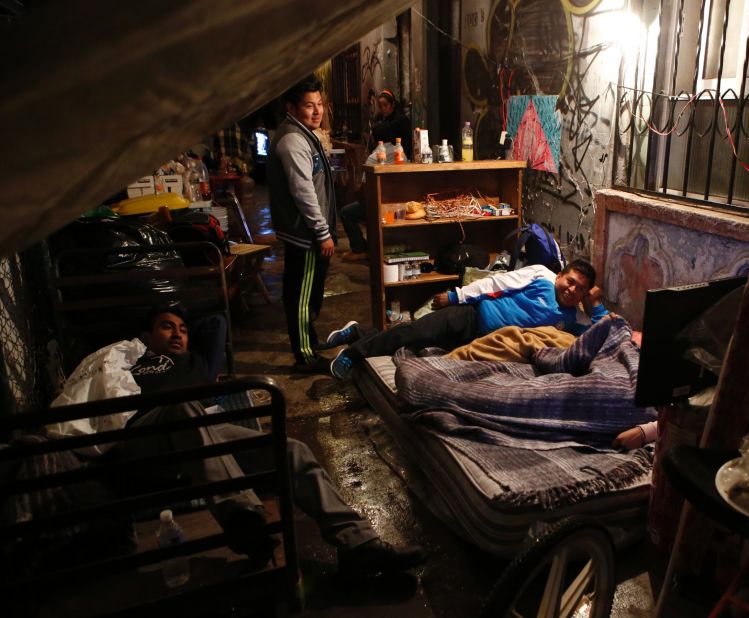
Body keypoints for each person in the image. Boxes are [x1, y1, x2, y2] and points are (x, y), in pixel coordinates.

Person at [59, 303, 425, 576]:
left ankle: (357, 542)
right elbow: (99, 396)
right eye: (166, 327)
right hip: (140, 438)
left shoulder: (196, 364)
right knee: (182, 410)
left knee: (290, 450)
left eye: (183, 329)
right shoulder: (130, 362)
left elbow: (215, 319)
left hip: (196, 435)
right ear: (146, 335)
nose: (177, 334)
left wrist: (181, 327)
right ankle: (243, 514)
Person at [324, 259, 608, 379]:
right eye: (570, 281)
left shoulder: (574, 318)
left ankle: (359, 332)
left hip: (482, 343)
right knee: (412, 333)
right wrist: (458, 296)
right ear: (560, 276)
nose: (572, 290)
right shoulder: (541, 275)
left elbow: (604, 331)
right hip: (470, 316)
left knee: (417, 346)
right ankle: (353, 353)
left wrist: (595, 304)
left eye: (580, 289)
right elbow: (498, 282)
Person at [267, 76, 338, 373]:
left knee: (308, 292)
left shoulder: (304, 133)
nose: (317, 111)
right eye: (309, 105)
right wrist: (322, 233)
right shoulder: (294, 139)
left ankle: (308, 341)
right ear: (292, 107)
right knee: (301, 295)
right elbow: (303, 191)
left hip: (308, 231)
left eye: (319, 104)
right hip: (304, 233)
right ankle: (305, 356)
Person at [369, 89, 412, 160]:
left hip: (400, 157)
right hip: (383, 156)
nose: (383, 108)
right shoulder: (378, 119)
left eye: (385, 105)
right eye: (380, 106)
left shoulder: (401, 119)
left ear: (393, 104)